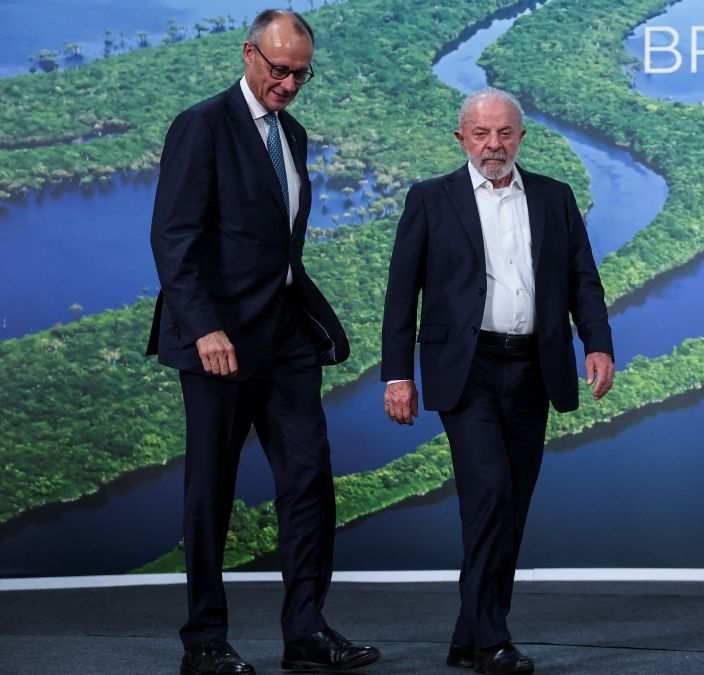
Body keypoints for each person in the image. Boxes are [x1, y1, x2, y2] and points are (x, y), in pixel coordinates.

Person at [147, 9, 379, 674]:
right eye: (279, 69)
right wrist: (204, 325)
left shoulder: (293, 134)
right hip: (217, 341)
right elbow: (174, 237)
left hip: (284, 336)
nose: (289, 83)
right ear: (248, 54)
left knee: (308, 480)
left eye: (300, 73)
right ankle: (205, 642)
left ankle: (306, 633)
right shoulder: (201, 126)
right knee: (210, 490)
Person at [381, 88, 615, 674]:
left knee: (512, 504)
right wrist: (395, 376)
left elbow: (583, 280)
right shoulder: (431, 199)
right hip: (468, 372)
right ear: (461, 138)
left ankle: (469, 634)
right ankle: (492, 640)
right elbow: (400, 295)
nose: (494, 145)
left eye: (504, 133)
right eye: (482, 134)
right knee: (488, 497)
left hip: (536, 368)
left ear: (521, 137)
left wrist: (599, 344)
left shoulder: (555, 198)